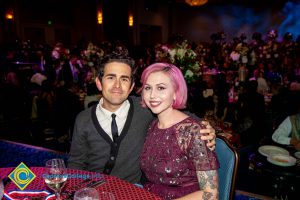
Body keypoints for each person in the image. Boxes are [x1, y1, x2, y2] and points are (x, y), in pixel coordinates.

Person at [68, 51, 216, 184]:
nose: (117, 85)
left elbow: (175, 112)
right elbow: (76, 163)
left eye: (124, 79)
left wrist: (204, 126)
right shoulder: (83, 119)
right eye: (111, 77)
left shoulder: (145, 109)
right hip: (94, 191)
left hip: (131, 191)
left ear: (132, 86)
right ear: (99, 83)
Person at [139, 63, 219, 200]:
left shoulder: (193, 131)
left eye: (161, 88)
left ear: (176, 93)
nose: (152, 95)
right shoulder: (152, 125)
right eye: (148, 88)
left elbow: (211, 194)